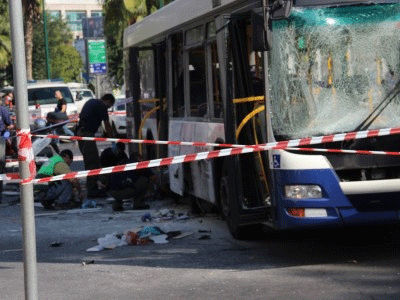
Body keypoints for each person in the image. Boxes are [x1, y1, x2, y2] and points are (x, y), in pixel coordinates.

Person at [76, 93, 115, 198]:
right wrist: (113, 141)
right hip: (87, 135)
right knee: (92, 163)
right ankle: (92, 191)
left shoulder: (91, 101)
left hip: (80, 133)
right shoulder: (101, 106)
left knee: (94, 161)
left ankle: (102, 183)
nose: (108, 108)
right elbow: (107, 125)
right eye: (109, 105)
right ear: (107, 101)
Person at [0, 100, 13, 204]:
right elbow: (9, 124)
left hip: (0, 139)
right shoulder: (2, 110)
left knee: (0, 166)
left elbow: (9, 123)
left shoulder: (2, 110)